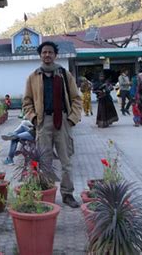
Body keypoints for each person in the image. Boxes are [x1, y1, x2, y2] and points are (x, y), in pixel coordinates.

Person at [22, 41, 82, 208]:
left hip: (62, 121)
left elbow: (76, 99)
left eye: (50, 52)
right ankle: (48, 194)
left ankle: (68, 194)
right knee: (45, 161)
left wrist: (72, 119)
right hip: (43, 122)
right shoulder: (33, 77)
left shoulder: (64, 74)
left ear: (55, 55)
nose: (47, 55)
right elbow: (27, 102)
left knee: (66, 161)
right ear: (40, 55)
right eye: (44, 52)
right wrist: (34, 118)